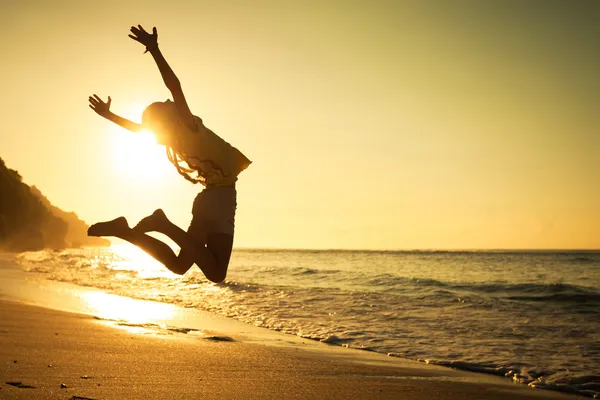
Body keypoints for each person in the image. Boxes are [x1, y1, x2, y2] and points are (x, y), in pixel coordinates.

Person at [87, 25, 251, 283]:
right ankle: (163, 224)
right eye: (167, 105)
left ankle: (125, 231)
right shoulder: (190, 128)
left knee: (178, 265)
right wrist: (154, 49)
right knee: (217, 274)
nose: (171, 102)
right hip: (219, 200)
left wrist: (109, 116)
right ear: (170, 117)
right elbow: (175, 86)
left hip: (210, 199)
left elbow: (139, 130)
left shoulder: (174, 140)